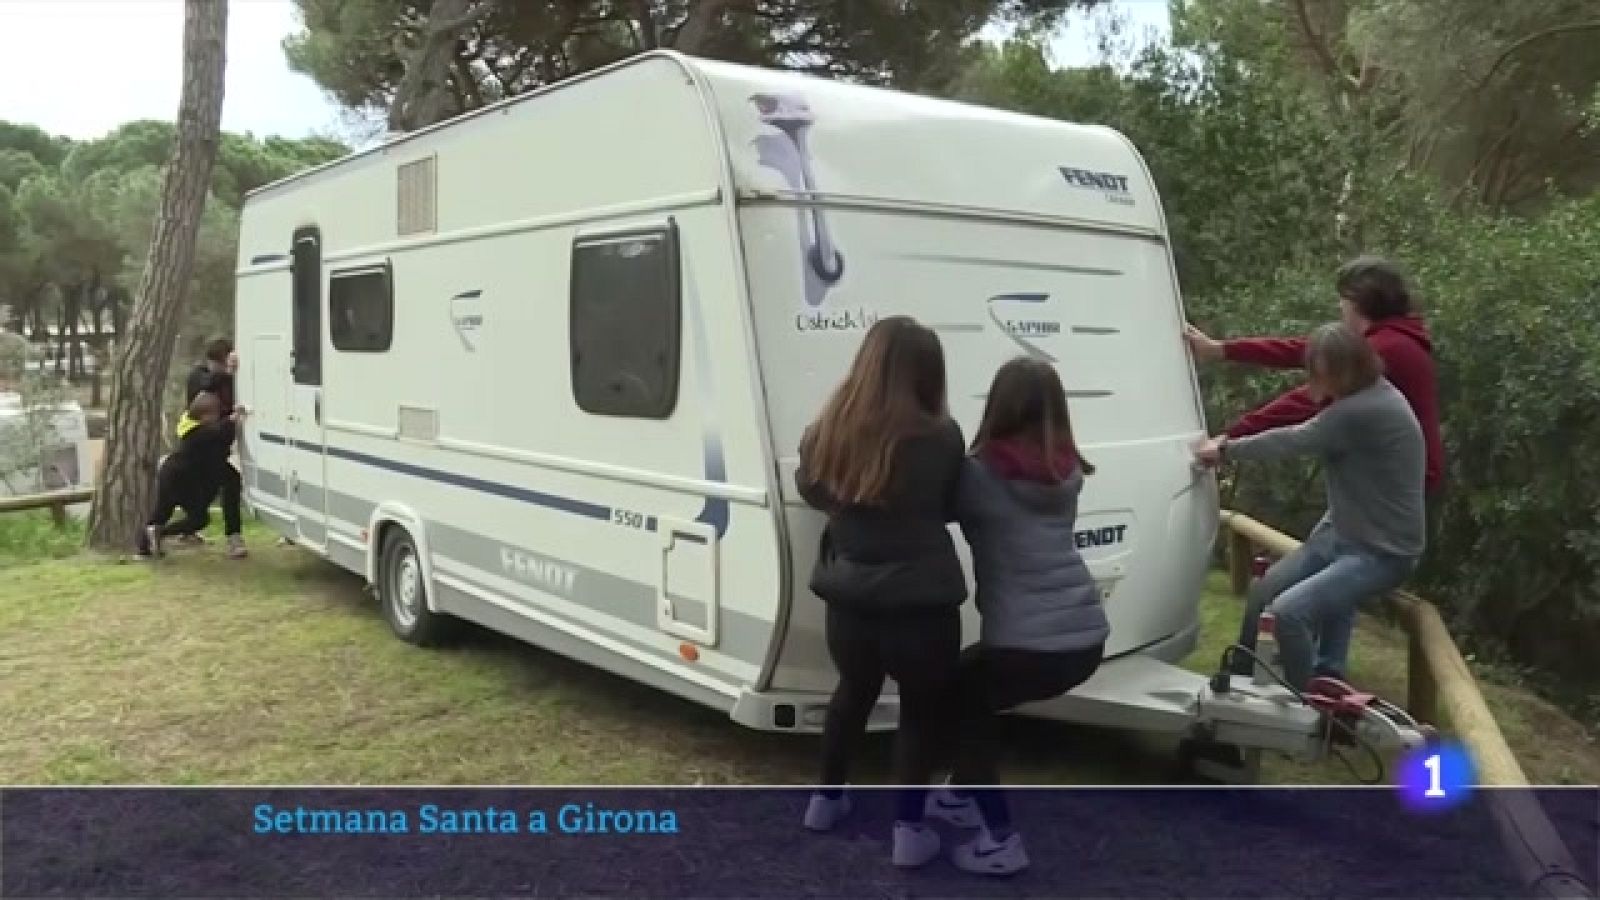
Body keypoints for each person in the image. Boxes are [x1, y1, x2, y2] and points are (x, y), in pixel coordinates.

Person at [1185, 256, 1441, 678]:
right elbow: (1302, 353)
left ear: (1361, 304)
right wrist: (1225, 350)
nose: (1340, 308)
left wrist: (1227, 443)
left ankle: (1309, 702)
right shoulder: (1361, 360)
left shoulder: (1370, 386)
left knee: (1292, 610)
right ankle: (1251, 675)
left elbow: (1296, 433)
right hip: (1350, 521)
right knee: (1267, 592)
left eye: (1344, 301)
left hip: (1381, 539)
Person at [924, 357, 1109, 876]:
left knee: (964, 709)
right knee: (966, 683)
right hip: (1085, 637)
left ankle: (1000, 840)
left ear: (998, 404)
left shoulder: (981, 475)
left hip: (1029, 643)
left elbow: (928, 506)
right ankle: (961, 795)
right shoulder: (1067, 469)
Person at [795, 315, 967, 869]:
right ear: (927, 373)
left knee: (853, 692)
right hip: (921, 604)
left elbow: (811, 488)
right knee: (920, 712)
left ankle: (825, 800)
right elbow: (950, 505)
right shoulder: (942, 436)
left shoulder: (823, 431)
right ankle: (908, 834)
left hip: (850, 599)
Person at [138, 392, 244, 559]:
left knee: (162, 513)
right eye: (214, 415)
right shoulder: (198, 433)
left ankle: (145, 547)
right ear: (204, 416)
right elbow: (217, 432)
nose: (217, 418)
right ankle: (160, 533)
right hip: (182, 477)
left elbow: (219, 435)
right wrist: (232, 419)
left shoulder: (189, 425)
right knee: (199, 519)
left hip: (170, 471)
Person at [178, 338, 246, 558]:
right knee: (217, 485)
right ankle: (231, 536)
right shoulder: (198, 375)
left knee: (220, 485)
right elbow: (207, 384)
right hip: (198, 443)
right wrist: (227, 371)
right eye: (220, 364)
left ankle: (194, 529)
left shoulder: (228, 380)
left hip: (217, 446)